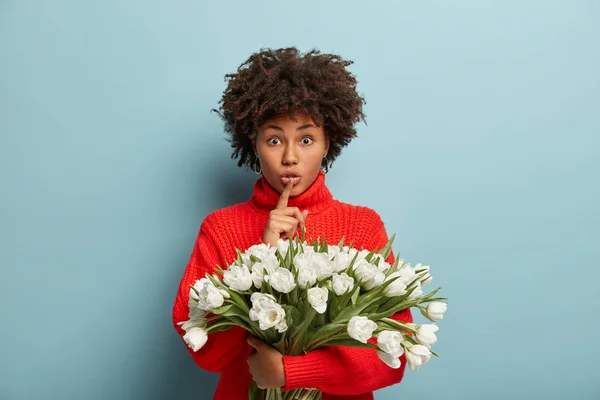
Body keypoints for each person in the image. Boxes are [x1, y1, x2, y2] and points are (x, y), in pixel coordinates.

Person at [172, 47, 413, 400]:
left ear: (328, 143)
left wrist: (290, 372)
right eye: (273, 140)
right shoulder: (221, 227)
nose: (289, 156)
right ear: (253, 144)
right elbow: (204, 350)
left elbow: (392, 355)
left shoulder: (362, 225)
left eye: (305, 139)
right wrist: (261, 256)